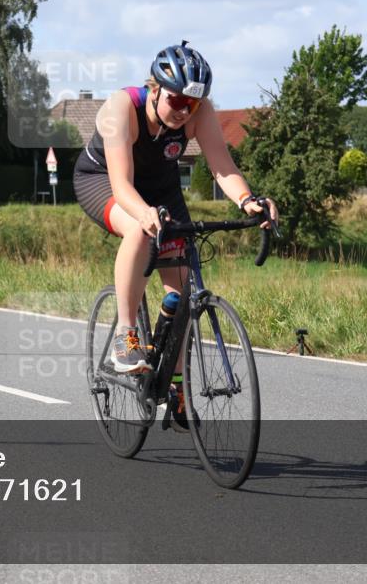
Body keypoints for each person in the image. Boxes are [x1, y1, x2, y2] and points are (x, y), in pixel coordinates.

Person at [73, 41, 278, 427]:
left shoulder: (198, 113)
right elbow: (122, 185)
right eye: (177, 100)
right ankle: (126, 333)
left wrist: (249, 200)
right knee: (138, 227)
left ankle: (175, 388)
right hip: (102, 180)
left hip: (162, 187)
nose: (185, 110)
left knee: (183, 290)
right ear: (154, 90)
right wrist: (145, 213)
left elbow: (221, 165)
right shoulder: (122, 108)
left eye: (193, 104)